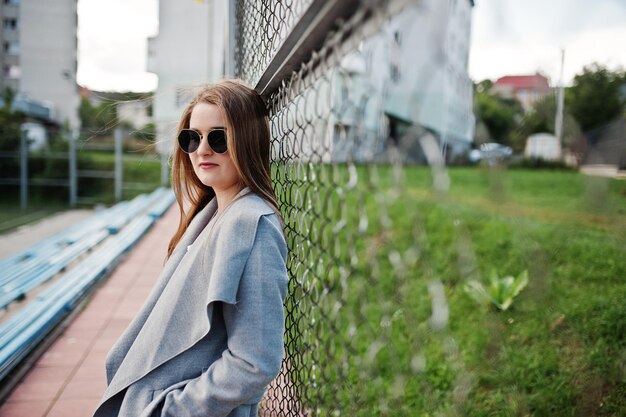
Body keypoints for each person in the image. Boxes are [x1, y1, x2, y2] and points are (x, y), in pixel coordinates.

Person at [93, 80, 289, 417]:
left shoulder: (254, 226)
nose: (201, 150)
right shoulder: (212, 214)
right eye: (192, 137)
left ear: (247, 141)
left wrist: (173, 410)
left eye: (218, 138)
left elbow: (254, 362)